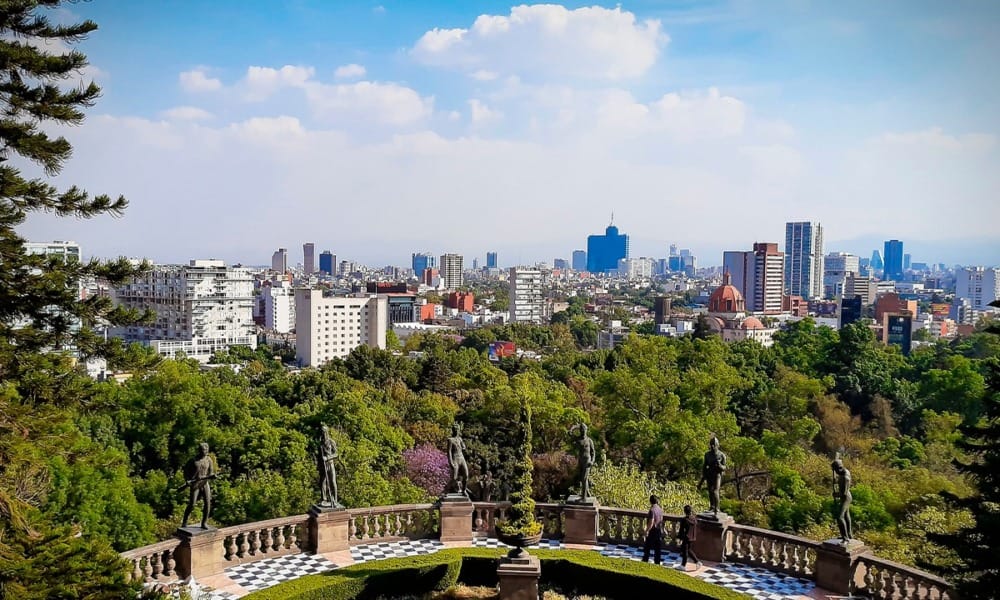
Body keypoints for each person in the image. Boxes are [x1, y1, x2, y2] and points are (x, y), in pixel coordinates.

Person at [181, 442, 216, 529]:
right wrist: (187, 480)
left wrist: (212, 476)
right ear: (199, 450)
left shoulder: (209, 460)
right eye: (202, 450)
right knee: (192, 504)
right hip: (195, 484)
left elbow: (210, 472)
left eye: (206, 450)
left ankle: (204, 523)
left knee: (208, 503)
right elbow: (185, 471)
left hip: (205, 483)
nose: (204, 451)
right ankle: (184, 521)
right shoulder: (193, 460)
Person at [698, 436, 727, 515]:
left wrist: (720, 465)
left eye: (714, 445)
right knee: (710, 492)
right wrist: (702, 479)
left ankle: (717, 508)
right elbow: (705, 466)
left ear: (717, 445)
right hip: (709, 474)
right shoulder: (707, 454)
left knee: (715, 491)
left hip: (717, 475)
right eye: (711, 445)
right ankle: (712, 507)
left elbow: (724, 467)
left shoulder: (722, 455)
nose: (712, 446)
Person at [832, 455, 853, 542]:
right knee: (846, 515)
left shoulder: (845, 477)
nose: (835, 473)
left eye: (836, 471)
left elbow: (843, 494)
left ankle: (845, 538)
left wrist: (835, 494)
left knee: (840, 517)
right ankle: (849, 534)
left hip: (846, 498)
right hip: (847, 496)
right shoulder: (844, 471)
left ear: (839, 468)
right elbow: (839, 478)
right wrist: (836, 480)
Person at [318, 424, 339, 507]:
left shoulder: (331, 442)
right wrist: (319, 464)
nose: (323, 434)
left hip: (330, 464)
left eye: (324, 432)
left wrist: (327, 457)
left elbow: (336, 453)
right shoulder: (320, 444)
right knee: (322, 482)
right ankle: (324, 499)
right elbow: (319, 456)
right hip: (323, 465)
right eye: (322, 432)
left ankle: (335, 500)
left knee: (333, 482)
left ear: (327, 432)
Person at [447, 422, 469, 496]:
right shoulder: (450, 440)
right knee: (454, 477)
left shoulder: (460, 439)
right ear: (453, 430)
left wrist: (463, 447)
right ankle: (447, 490)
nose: (456, 431)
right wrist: (451, 462)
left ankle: (464, 490)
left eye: (458, 429)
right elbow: (449, 452)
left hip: (461, 457)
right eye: (455, 429)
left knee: (466, 475)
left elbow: (464, 446)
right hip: (455, 458)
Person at [677, 504, 702, 570]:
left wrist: (679, 538)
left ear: (685, 511)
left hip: (686, 537)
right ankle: (697, 562)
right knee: (688, 550)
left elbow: (681, 530)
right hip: (692, 537)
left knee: (685, 551)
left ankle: (683, 565)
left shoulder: (684, 520)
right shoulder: (694, 519)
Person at [642, 494, 664, 565]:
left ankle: (645, 561)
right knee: (657, 549)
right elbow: (661, 521)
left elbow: (651, 522)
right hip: (658, 530)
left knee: (647, 547)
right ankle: (657, 563)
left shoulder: (652, 510)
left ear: (650, 501)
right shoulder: (660, 509)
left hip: (653, 531)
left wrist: (646, 531)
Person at [577, 423, 597, 499]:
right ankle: (587, 493)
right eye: (581, 429)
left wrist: (592, 461)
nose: (583, 431)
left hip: (587, 461)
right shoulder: (578, 439)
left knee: (584, 478)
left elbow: (593, 452)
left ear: (586, 430)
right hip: (580, 460)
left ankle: (583, 497)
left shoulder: (589, 440)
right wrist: (573, 428)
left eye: (584, 429)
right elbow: (570, 434)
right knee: (582, 478)